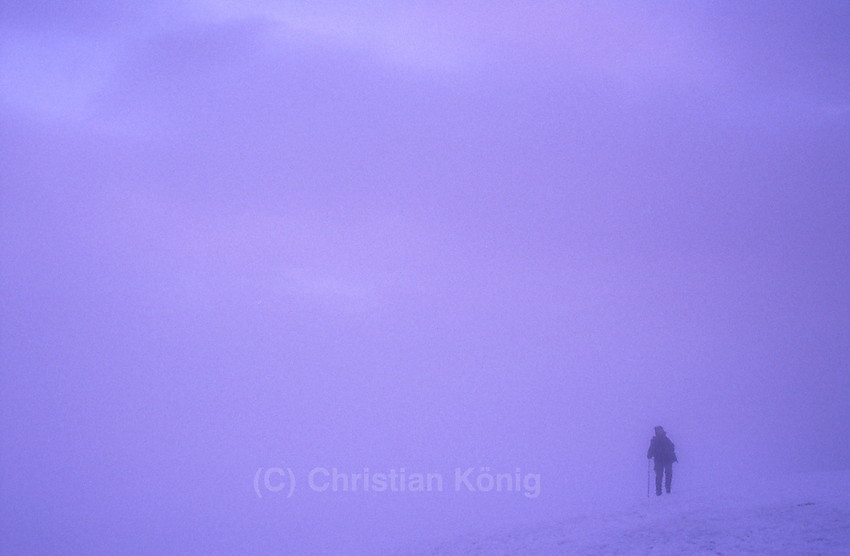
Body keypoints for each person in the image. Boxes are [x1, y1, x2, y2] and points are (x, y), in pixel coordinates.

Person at [647, 426, 677, 496]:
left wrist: (649, 454)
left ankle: (666, 491)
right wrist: (649, 454)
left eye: (660, 430)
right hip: (662, 460)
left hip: (665, 460)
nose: (659, 431)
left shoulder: (659, 440)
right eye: (658, 430)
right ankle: (660, 492)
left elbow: (672, 447)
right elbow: (650, 450)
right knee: (660, 476)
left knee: (666, 475)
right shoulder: (661, 440)